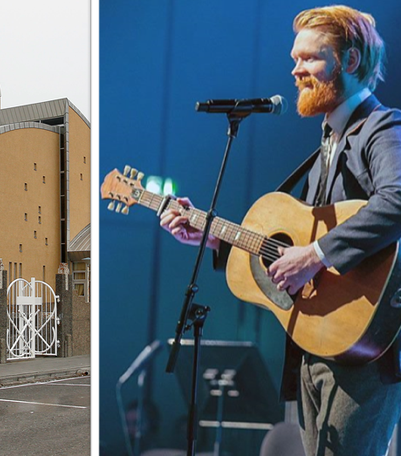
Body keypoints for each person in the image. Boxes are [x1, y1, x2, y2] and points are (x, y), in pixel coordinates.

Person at [159, 5, 401, 456]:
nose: (295, 70)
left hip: (364, 349)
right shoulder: (328, 144)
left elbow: (398, 200)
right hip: (318, 345)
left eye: (309, 58)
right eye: (294, 59)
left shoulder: (381, 127)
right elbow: (286, 243)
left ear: (349, 62)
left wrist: (314, 256)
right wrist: (212, 237)